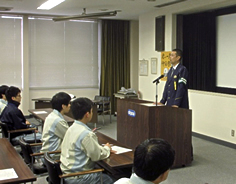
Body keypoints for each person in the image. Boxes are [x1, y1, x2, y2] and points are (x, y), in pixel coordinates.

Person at [60, 97, 114, 184]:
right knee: (113, 178)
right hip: (79, 177)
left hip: (67, 174)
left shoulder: (71, 128)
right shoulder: (86, 134)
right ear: (87, 114)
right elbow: (96, 156)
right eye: (92, 111)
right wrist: (107, 148)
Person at [40, 92, 71, 160]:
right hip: (53, 156)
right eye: (69, 103)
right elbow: (71, 138)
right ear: (63, 106)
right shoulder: (58, 121)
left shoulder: (52, 115)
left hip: (47, 153)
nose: (70, 105)